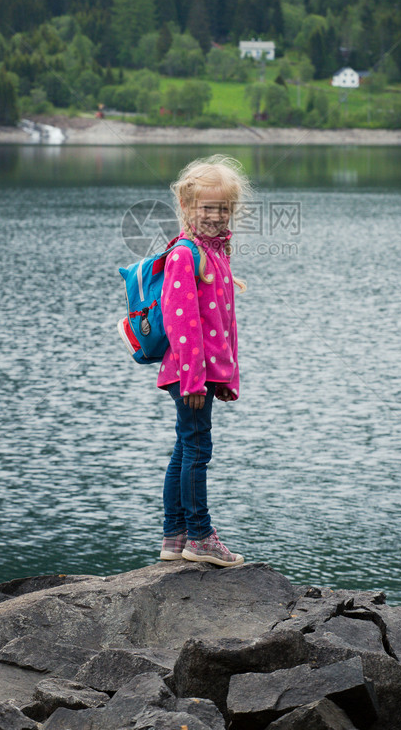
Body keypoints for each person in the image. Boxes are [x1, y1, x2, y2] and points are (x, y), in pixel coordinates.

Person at [157, 154, 250, 567]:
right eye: (206, 208)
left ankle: (174, 538)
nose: (215, 215)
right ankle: (199, 535)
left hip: (200, 374)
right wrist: (195, 379)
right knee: (197, 450)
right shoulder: (185, 254)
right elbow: (183, 324)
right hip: (191, 375)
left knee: (184, 448)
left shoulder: (215, 253)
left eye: (223, 208)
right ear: (187, 208)